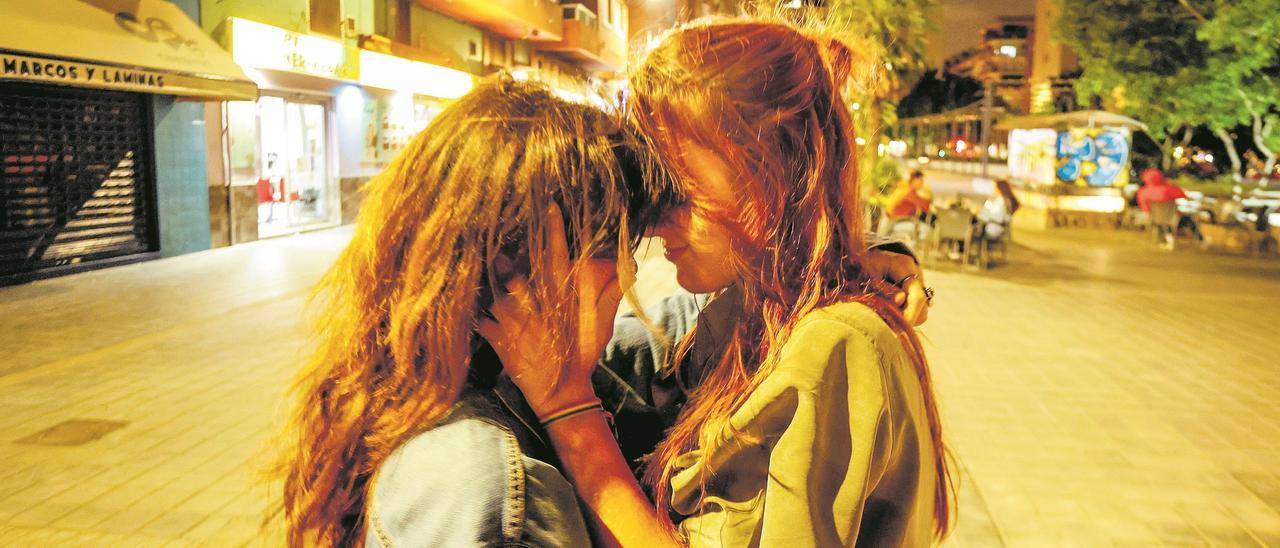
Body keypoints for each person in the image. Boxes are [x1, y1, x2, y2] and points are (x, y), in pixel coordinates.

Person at [277, 77, 931, 546]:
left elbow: (679, 334)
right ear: (533, 268)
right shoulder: (486, 490)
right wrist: (568, 408)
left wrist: (843, 256)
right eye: (617, 252)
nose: (627, 282)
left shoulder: (472, 378)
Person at [480, 18, 953, 547]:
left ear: (773, 170)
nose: (655, 225)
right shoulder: (758, 307)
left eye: (676, 190)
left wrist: (564, 404)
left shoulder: (833, 344)